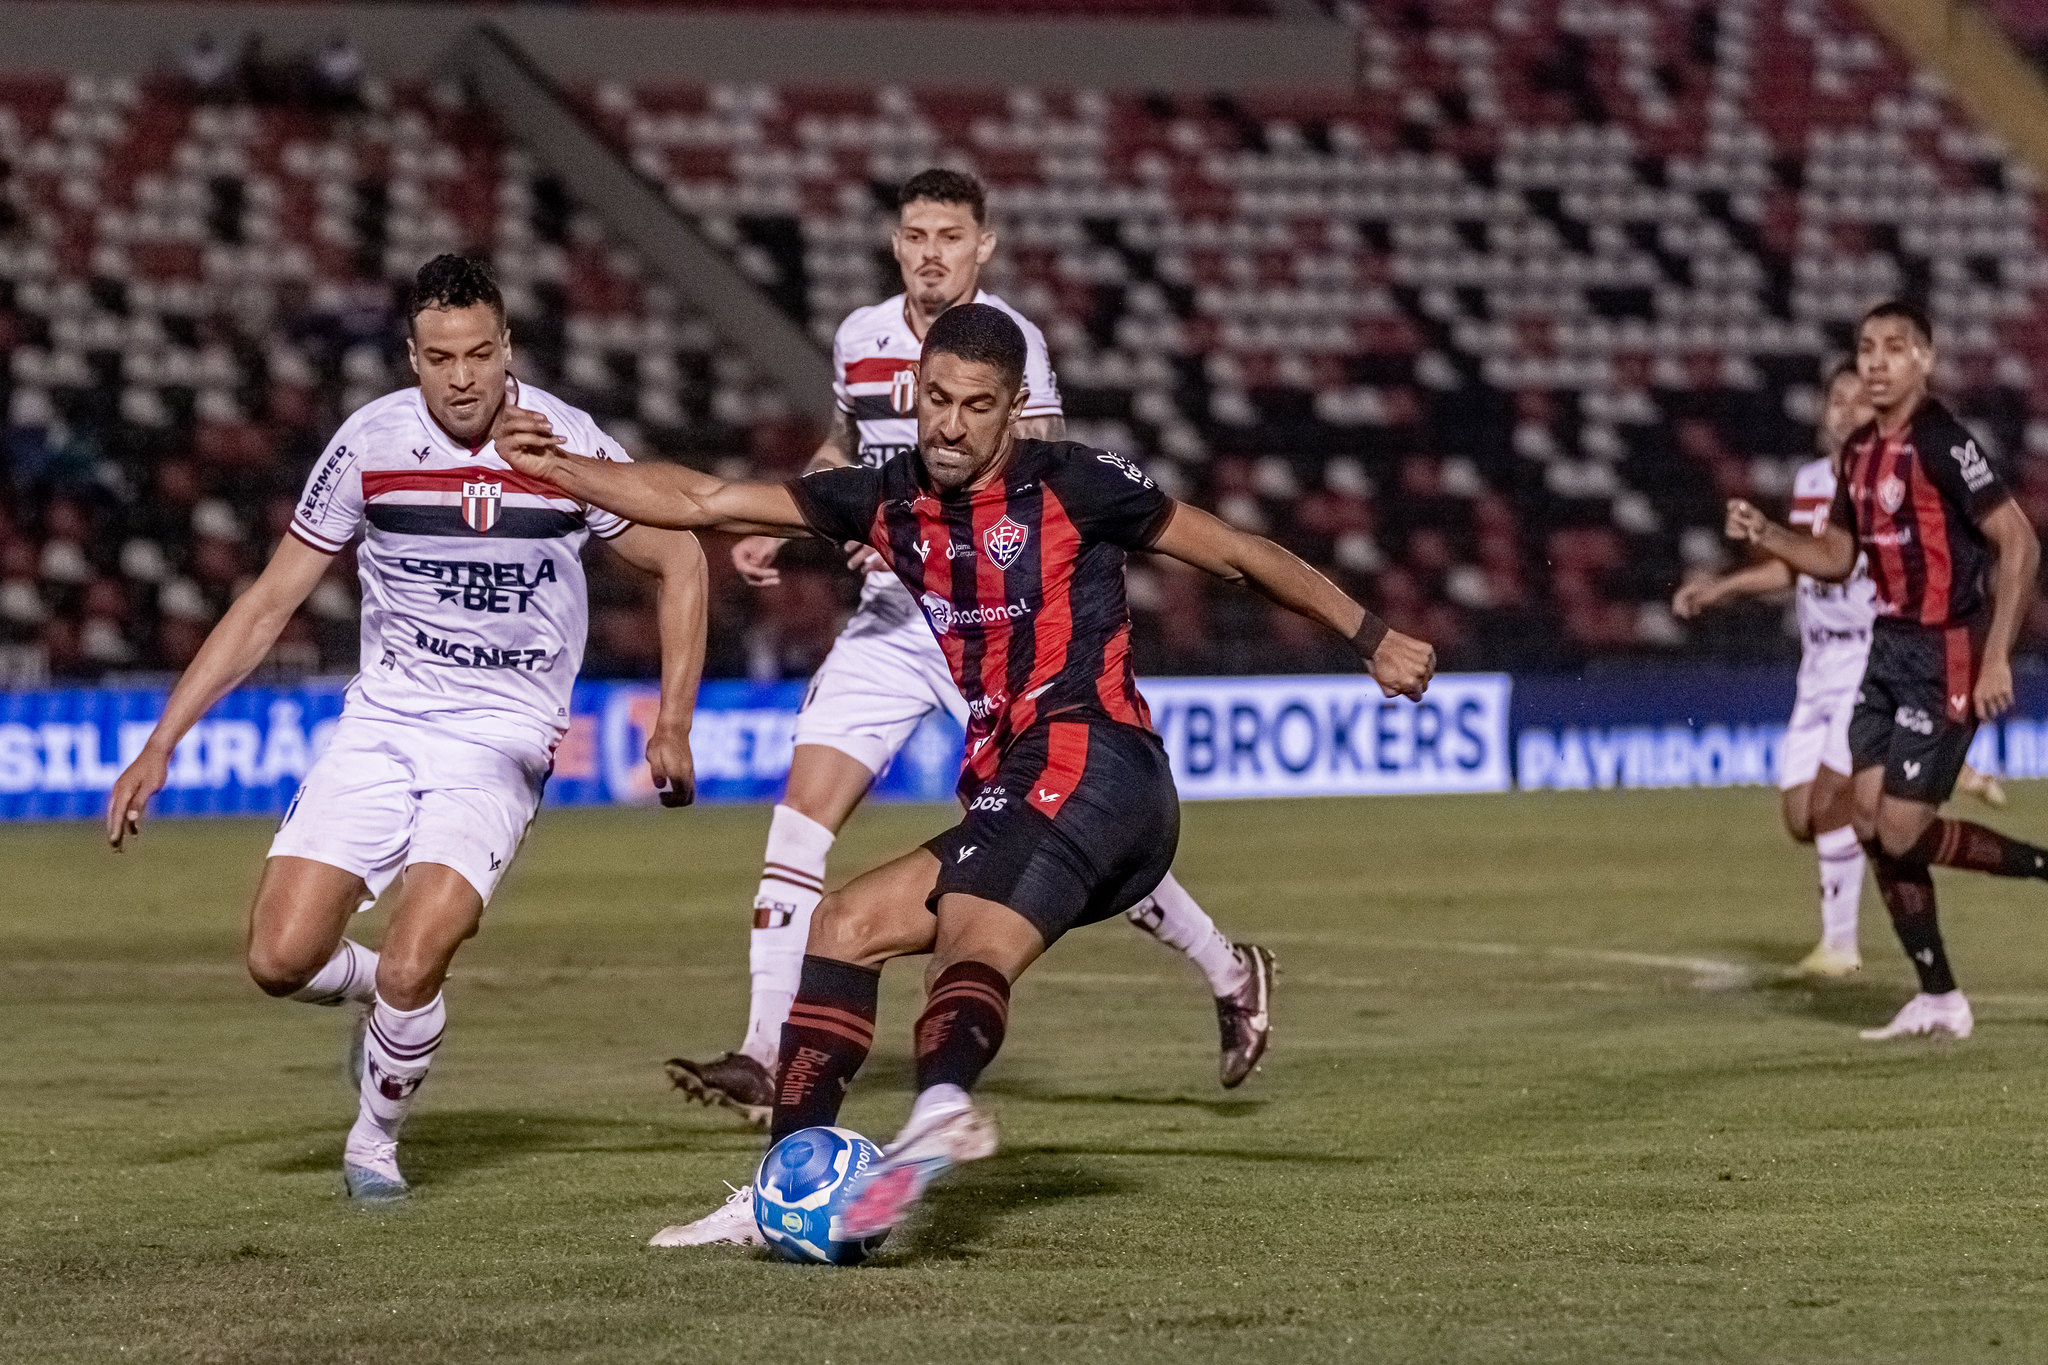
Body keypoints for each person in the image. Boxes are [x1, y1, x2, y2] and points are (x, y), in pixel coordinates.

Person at [492, 301, 1435, 1246]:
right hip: (1017, 780)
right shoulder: (888, 493)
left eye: (975, 405)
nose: (949, 423)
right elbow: (701, 500)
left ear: (1014, 407)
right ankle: (782, 1190)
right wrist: (567, 470)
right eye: (936, 398)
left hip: (1097, 756)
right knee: (846, 923)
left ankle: (942, 1104)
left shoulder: (1077, 484)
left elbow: (1235, 553)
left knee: (970, 937)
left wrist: (1371, 635)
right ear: (914, 392)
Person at [666, 168, 1273, 1129]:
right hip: (885, 616)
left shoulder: (1009, 341)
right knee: (800, 817)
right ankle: (764, 1048)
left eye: (950, 234)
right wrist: (799, 522)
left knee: (1056, 832)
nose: (931, 252)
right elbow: (844, 447)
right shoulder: (860, 338)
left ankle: (1226, 965)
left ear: (982, 245)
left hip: (991, 618)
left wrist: (930, 528)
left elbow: (1040, 471)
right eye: (915, 234)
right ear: (895, 243)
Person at [105, 255, 708, 1201]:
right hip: (385, 722)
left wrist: (672, 719)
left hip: (503, 734)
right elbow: (268, 604)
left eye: (480, 353)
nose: (463, 376)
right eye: (440, 356)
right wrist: (161, 740)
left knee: (424, 946)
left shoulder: (563, 443)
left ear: (508, 347)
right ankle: (391, 1001)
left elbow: (680, 558)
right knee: (278, 959)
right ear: (412, 358)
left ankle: (374, 1143)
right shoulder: (369, 444)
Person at [1723, 299, 2047, 1041]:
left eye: (1894, 348)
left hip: (1947, 650)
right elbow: (1836, 556)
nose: (1875, 361)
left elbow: (2019, 542)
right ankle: (1939, 998)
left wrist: (1998, 652)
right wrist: (1769, 531)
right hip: (1887, 649)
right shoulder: (1860, 452)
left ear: (1924, 361)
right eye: (1866, 347)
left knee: (1899, 829)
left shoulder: (1941, 441)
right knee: (1868, 820)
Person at [1675, 362, 2006, 978]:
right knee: (1801, 817)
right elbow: (1804, 564)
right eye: (1837, 401)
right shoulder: (1809, 481)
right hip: (1817, 667)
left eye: (1860, 401)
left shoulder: (1894, 477)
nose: (1847, 412)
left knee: (1836, 803)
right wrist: (1723, 587)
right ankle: (1948, 770)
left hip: (1868, 659)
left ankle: (1840, 944)